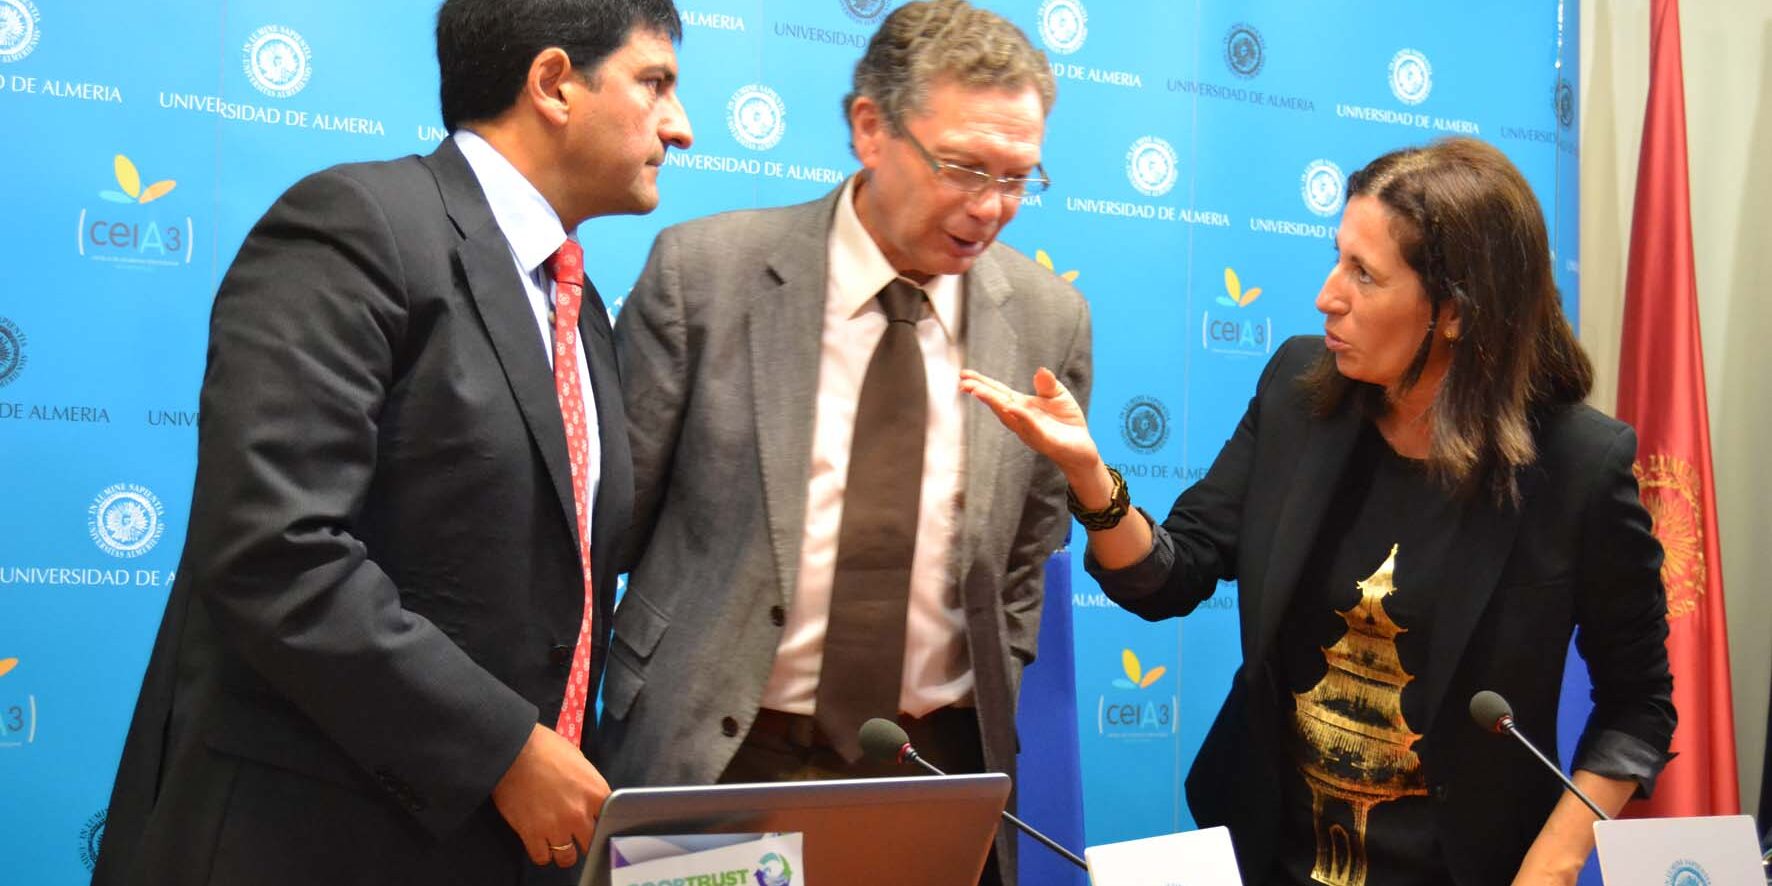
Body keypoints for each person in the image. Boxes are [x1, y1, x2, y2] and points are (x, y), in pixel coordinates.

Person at [963, 137, 1675, 886]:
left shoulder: (1577, 465)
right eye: (1338, 258)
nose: (1328, 295)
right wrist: (1089, 476)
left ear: (1456, 313)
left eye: (1364, 275)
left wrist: (1553, 864)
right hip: (1276, 856)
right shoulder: (1301, 392)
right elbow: (1169, 576)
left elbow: (1638, 705)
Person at [92, 1, 691, 883]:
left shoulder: (581, 308)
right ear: (555, 84)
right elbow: (274, 550)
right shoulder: (356, 225)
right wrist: (502, 752)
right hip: (313, 843)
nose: (680, 127)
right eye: (656, 84)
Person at [594, 2, 1089, 883]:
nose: (991, 207)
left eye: (1019, 178)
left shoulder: (1050, 319)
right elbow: (607, 534)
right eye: (964, 168)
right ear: (871, 128)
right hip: (720, 761)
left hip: (930, 771)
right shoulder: (705, 277)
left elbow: (1026, 558)